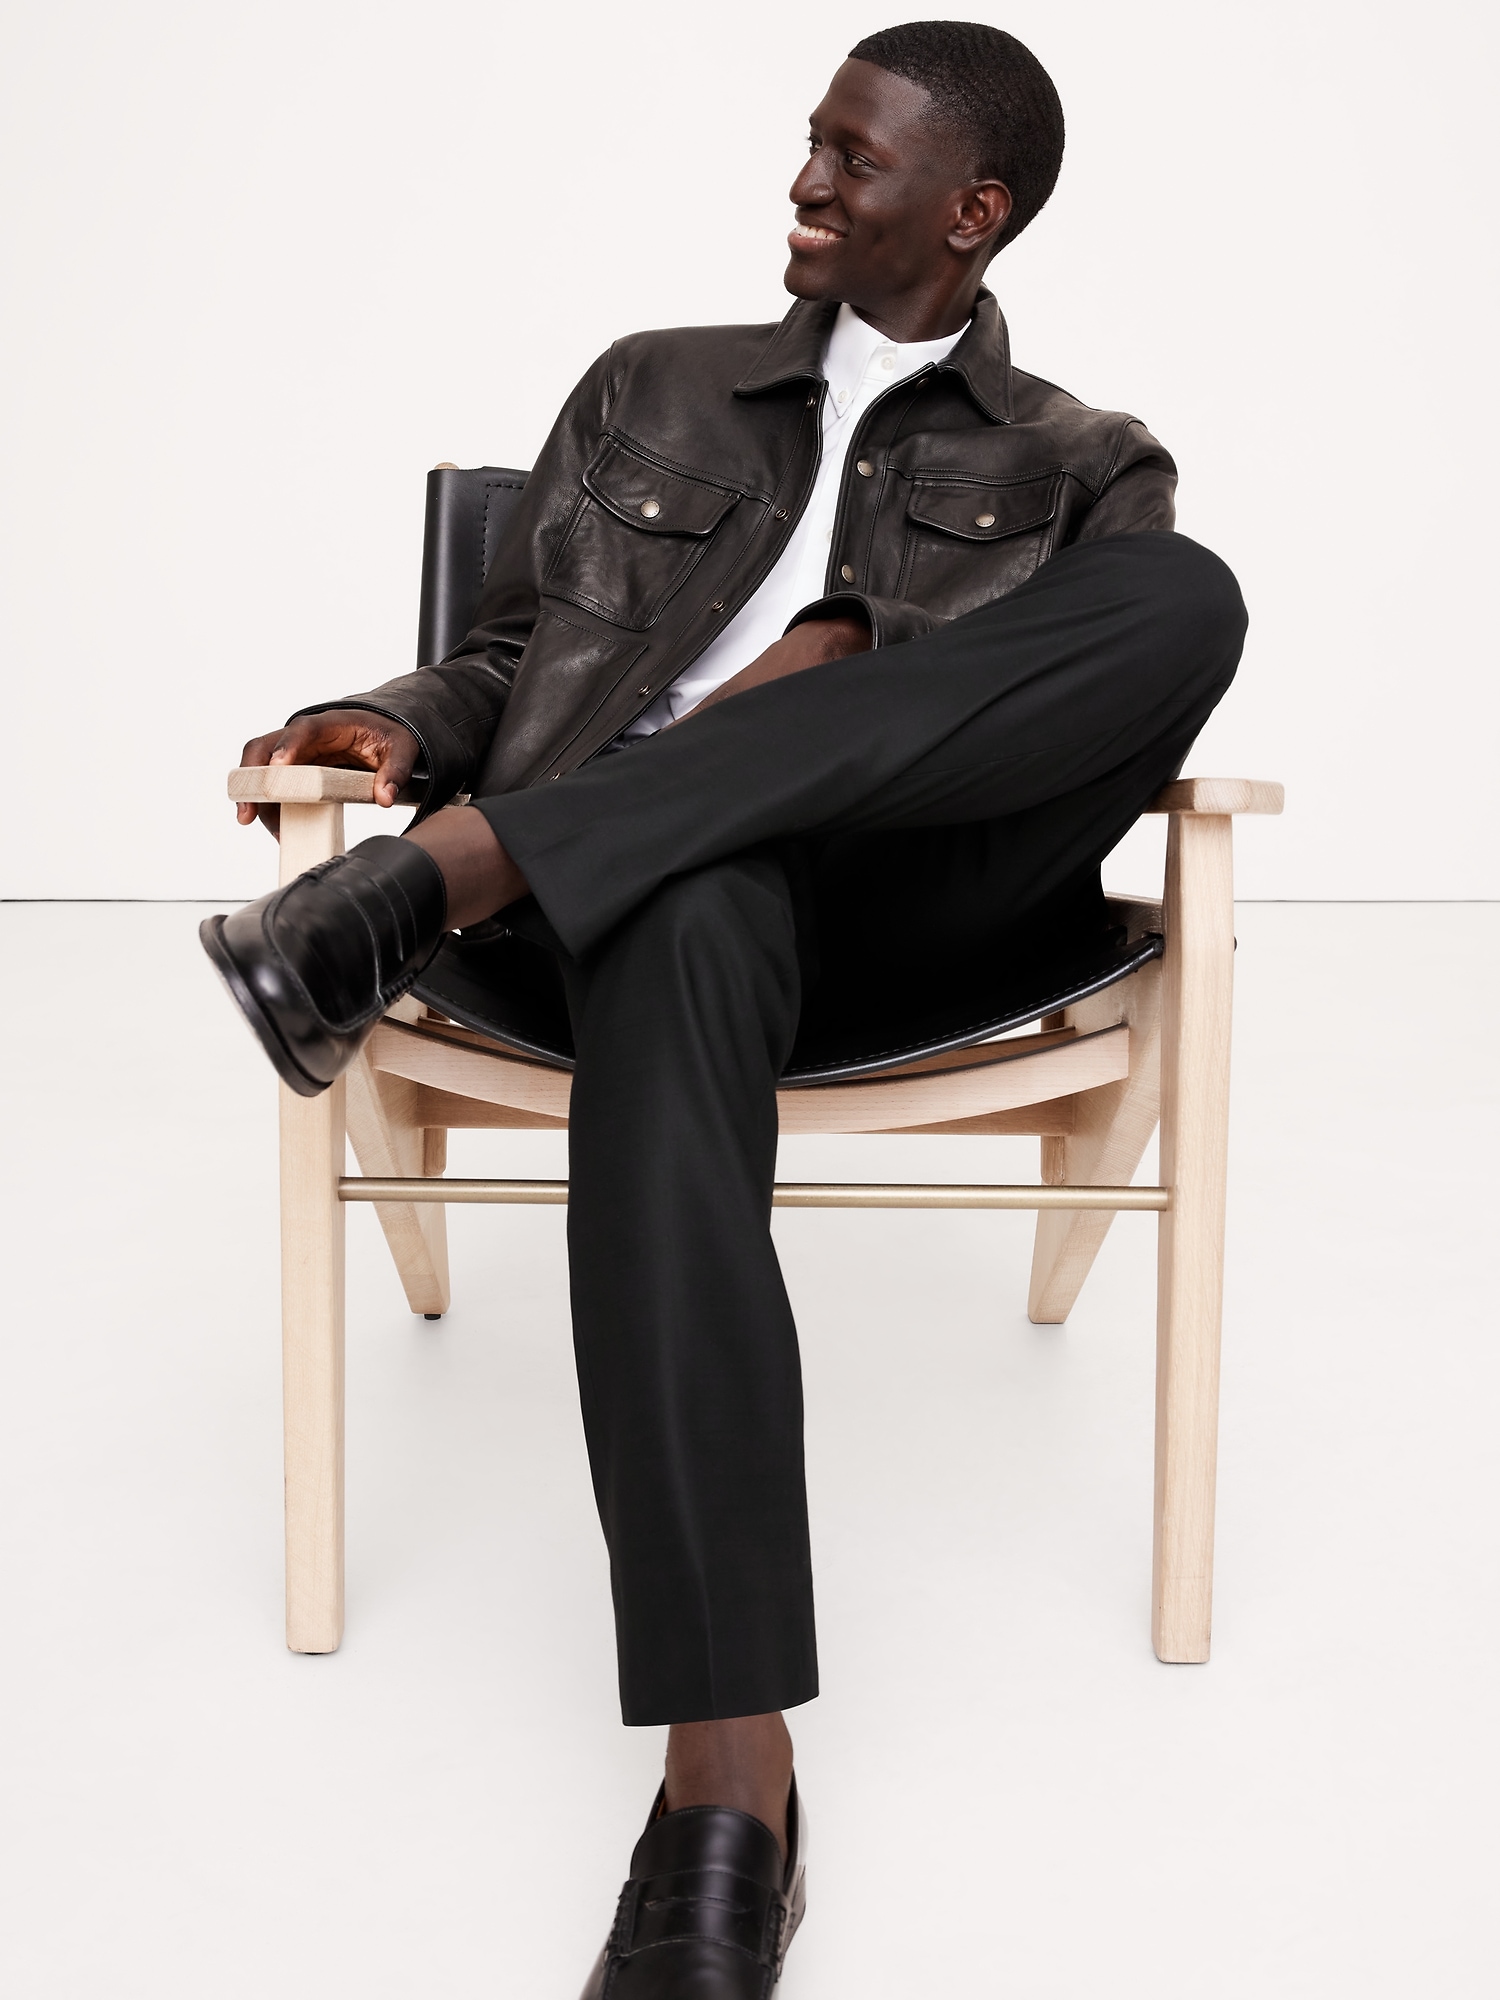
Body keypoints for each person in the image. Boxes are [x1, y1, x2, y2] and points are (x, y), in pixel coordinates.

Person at [203, 22, 1247, 1995]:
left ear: (974, 209)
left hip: (905, 920)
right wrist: (387, 721)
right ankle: (728, 1778)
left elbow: (1077, 714)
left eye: (855, 158)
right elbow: (513, 650)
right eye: (810, 142)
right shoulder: (654, 386)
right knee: (691, 899)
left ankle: (440, 878)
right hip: (638, 921)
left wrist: (853, 653)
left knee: (1188, 596)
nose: (807, 182)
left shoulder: (1085, 461)